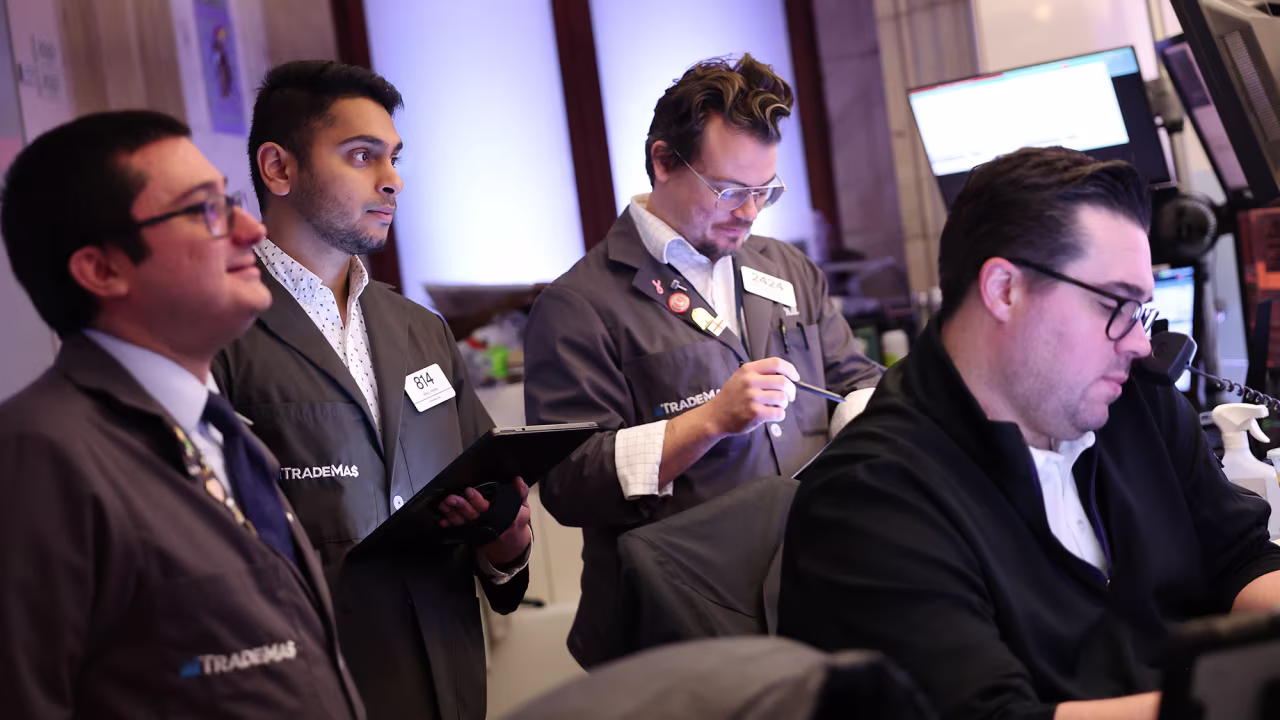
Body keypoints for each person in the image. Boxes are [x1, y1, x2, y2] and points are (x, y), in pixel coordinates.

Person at [778, 147, 1280, 720]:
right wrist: (1232, 701)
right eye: (1116, 304)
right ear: (1004, 291)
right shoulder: (870, 500)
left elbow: (1239, 556)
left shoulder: (1134, 400)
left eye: (1143, 311)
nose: (1140, 344)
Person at [0, 110, 364, 718]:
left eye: (232, 201)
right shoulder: (39, 455)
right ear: (102, 268)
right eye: (207, 211)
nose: (250, 230)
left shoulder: (222, 433)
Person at [523, 53, 883, 668]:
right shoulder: (580, 304)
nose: (749, 211)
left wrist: (862, 424)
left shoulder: (786, 268)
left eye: (765, 191)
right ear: (664, 161)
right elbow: (569, 483)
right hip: (676, 627)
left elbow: (857, 380)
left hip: (807, 593)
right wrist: (711, 421)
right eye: (728, 190)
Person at [213, 60, 531, 720]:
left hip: (450, 680)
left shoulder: (420, 330)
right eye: (362, 156)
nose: (392, 180)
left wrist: (506, 547)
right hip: (317, 690)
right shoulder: (221, 335)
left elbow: (489, 509)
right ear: (279, 169)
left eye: (393, 158)